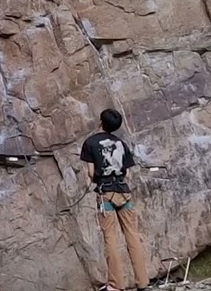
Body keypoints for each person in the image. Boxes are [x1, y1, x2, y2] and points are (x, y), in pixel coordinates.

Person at [80, 108, 151, 291]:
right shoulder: (121, 144)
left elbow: (90, 172)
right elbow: (126, 172)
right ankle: (142, 282)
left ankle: (115, 284)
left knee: (110, 238)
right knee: (132, 236)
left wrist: (99, 179)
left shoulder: (90, 143)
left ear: (100, 121)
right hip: (124, 192)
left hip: (106, 194)